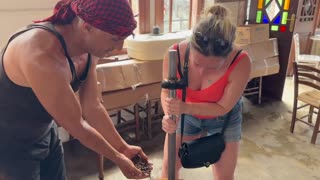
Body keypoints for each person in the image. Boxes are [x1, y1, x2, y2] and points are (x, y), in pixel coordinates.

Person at [0, 0, 152, 179]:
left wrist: (122, 148)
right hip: (10, 143)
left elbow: (92, 106)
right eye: (115, 39)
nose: (118, 48)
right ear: (87, 27)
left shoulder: (89, 49)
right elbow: (77, 125)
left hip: (45, 131)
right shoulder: (41, 54)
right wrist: (118, 158)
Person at [160, 4, 251, 180]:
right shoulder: (175, 54)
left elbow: (222, 107)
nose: (202, 72)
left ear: (227, 57)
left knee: (224, 176)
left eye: (212, 68)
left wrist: (184, 107)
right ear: (190, 47)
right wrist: (168, 115)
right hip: (184, 115)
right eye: (197, 64)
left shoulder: (241, 62)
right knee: (168, 167)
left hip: (224, 119)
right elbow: (166, 92)